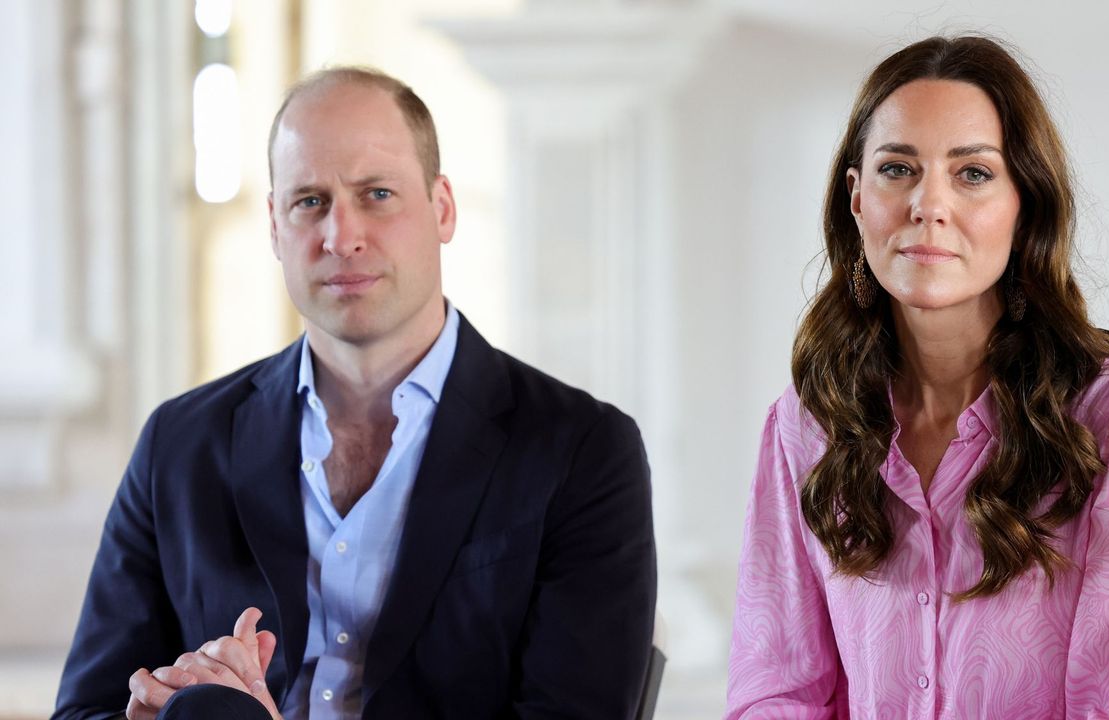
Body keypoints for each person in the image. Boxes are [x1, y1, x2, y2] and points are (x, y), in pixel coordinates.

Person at [53, 66, 657, 720]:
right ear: (274, 227)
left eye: (376, 193)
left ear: (443, 207)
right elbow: (86, 709)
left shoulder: (582, 451)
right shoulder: (179, 442)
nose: (342, 237)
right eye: (309, 201)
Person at [725, 35, 1109, 719]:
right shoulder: (805, 426)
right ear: (856, 199)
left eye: (973, 174)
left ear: (1025, 206)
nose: (928, 204)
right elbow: (775, 690)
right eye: (898, 168)